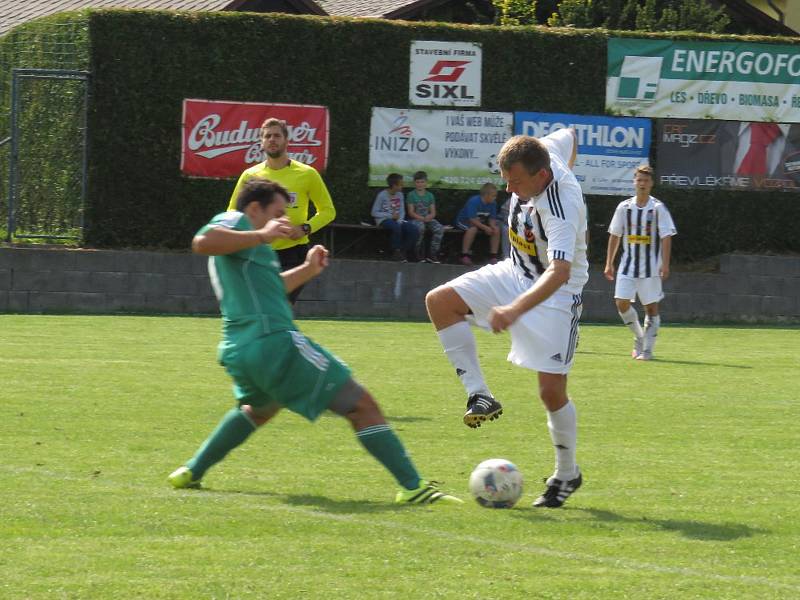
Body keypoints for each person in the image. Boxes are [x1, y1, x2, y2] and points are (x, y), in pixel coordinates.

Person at [169, 177, 461, 506]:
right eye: (277, 213)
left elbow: (270, 288)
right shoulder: (237, 222)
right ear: (254, 208)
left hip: (240, 347)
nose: (283, 221)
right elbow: (202, 240)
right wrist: (262, 234)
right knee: (362, 406)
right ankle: (413, 487)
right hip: (273, 342)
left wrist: (308, 270)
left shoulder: (247, 246)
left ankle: (192, 470)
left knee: (259, 409)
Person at [426, 128, 588, 509]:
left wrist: (516, 310)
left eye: (516, 182)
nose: (510, 190)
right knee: (440, 301)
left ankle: (567, 474)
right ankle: (480, 395)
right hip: (514, 272)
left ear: (541, 176)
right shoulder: (544, 151)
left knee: (551, 393)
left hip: (556, 294)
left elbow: (560, 271)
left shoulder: (561, 206)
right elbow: (571, 135)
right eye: (506, 181)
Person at [228, 117, 335, 303]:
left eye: (277, 135)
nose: (272, 139)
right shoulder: (251, 175)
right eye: (267, 136)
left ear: (287, 140)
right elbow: (233, 212)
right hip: (258, 251)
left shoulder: (307, 174)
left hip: (293, 253)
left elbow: (328, 211)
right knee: (264, 306)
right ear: (261, 142)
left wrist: (305, 228)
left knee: (278, 304)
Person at [604, 165, 677, 361]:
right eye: (639, 180)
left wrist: (665, 264)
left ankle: (648, 350)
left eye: (646, 180)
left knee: (651, 308)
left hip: (651, 267)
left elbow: (666, 236)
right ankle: (639, 337)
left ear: (651, 183)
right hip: (627, 265)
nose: (642, 184)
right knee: (621, 303)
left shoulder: (658, 208)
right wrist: (609, 263)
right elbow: (615, 235)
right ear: (634, 182)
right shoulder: (624, 207)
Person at [371, 173, 419, 262]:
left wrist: (400, 220)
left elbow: (401, 210)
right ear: (394, 185)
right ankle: (395, 251)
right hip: (384, 220)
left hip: (398, 220)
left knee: (414, 229)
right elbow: (374, 212)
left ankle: (403, 251)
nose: (403, 186)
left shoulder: (400, 195)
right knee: (395, 227)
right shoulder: (382, 195)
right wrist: (390, 216)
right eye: (401, 184)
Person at [454, 183, 501, 266]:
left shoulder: (493, 203)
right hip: (464, 221)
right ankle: (464, 255)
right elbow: (472, 219)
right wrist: (486, 228)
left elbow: (492, 218)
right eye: (493, 196)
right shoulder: (474, 201)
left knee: (496, 230)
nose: (495, 198)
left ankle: (493, 256)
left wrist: (492, 226)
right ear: (486, 195)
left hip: (480, 223)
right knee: (472, 229)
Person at [406, 171, 444, 263]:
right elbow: (411, 212)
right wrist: (422, 219)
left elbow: (433, 212)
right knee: (420, 228)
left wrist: (429, 217)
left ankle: (432, 254)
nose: (420, 184)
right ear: (415, 183)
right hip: (415, 219)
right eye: (418, 182)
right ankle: (417, 253)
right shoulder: (411, 195)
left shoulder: (430, 195)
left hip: (428, 218)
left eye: (422, 182)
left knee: (439, 229)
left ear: (426, 183)